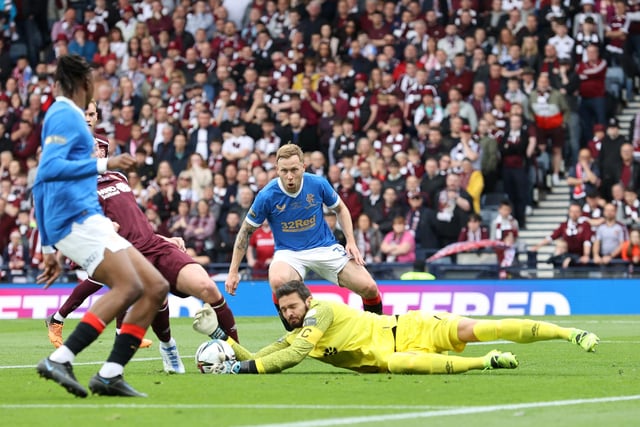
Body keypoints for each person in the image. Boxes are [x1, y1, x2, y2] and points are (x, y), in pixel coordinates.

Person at [44, 101, 239, 375]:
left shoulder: (118, 177)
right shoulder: (78, 185)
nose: (96, 149)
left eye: (100, 147)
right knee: (146, 293)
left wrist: (162, 237)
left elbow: (134, 218)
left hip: (153, 243)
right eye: (90, 147)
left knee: (207, 288)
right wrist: (100, 227)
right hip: (122, 251)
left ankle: (237, 353)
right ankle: (161, 349)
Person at [33, 54, 168, 398]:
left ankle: (110, 373)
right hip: (76, 219)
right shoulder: (66, 114)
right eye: (93, 79)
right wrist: (104, 163)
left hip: (85, 218)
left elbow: (39, 186)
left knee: (154, 285)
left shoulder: (66, 116)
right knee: (128, 287)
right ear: (84, 82)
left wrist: (48, 248)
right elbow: (47, 171)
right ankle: (60, 358)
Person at [193, 280, 600, 375]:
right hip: (396, 354)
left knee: (486, 326)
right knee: (396, 366)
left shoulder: (322, 313)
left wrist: (242, 369)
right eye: (285, 310)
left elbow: (290, 357)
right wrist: (220, 340)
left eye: (293, 306)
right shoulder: (300, 331)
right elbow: (263, 356)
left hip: (412, 328)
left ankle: (569, 334)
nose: (290, 314)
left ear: (307, 301)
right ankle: (486, 363)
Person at [224, 144, 383, 327]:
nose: (289, 176)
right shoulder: (267, 195)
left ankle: (378, 330)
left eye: (294, 170)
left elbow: (340, 208)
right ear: (277, 170)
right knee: (277, 280)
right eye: (284, 171)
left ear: (303, 168)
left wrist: (351, 241)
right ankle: (296, 335)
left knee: (369, 288)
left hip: (324, 247)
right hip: (289, 253)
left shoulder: (317, 183)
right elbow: (245, 231)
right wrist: (233, 271)